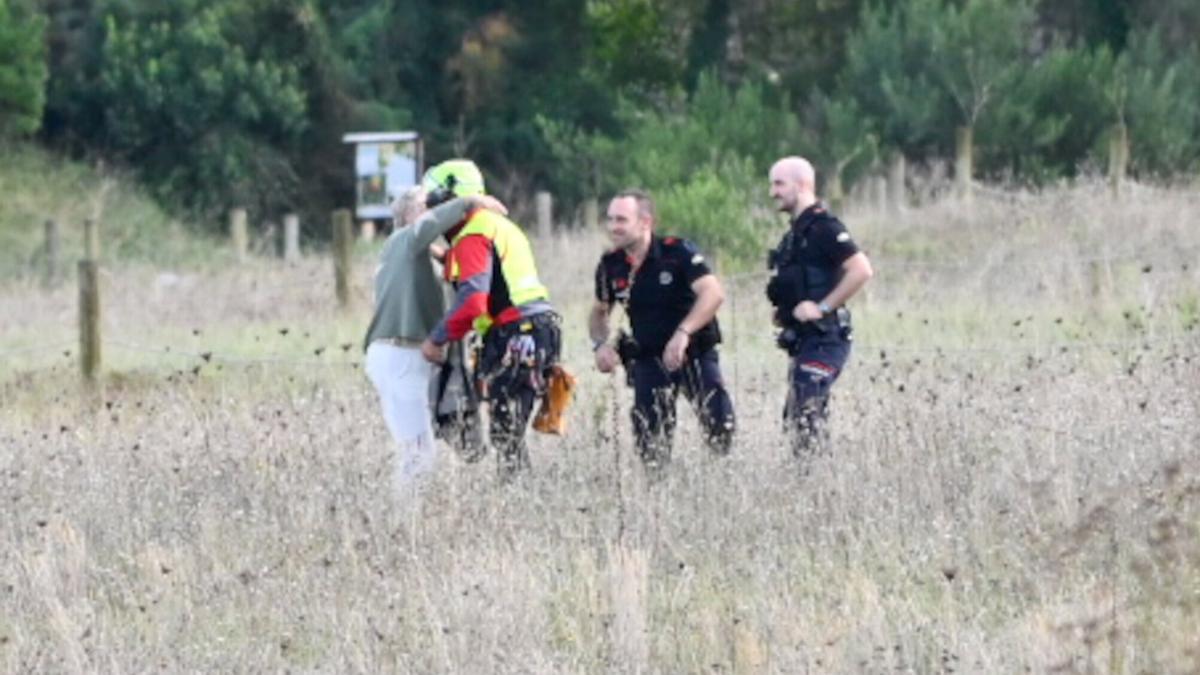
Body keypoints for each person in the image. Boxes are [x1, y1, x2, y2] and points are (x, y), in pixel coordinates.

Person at [418, 159, 561, 479]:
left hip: (518, 334)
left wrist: (435, 339)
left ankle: (518, 499)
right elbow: (485, 276)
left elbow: (472, 302)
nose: (432, 213)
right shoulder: (493, 226)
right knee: (507, 430)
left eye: (435, 204)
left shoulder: (474, 232)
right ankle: (517, 494)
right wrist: (437, 254)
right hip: (535, 330)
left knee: (505, 431)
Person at [363, 186, 508, 501]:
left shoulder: (412, 253)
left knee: (424, 445)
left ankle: (422, 515)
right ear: (408, 216)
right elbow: (426, 227)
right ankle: (405, 525)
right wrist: (472, 201)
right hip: (400, 353)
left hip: (405, 356)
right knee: (418, 452)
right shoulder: (405, 239)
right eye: (425, 205)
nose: (433, 209)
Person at [589, 189, 735, 471]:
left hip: (694, 351)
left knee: (719, 422)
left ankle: (720, 478)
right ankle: (656, 493)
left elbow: (713, 294)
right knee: (649, 438)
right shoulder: (611, 265)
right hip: (648, 356)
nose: (613, 227)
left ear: (645, 222)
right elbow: (599, 312)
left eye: (621, 220)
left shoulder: (677, 252)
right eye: (610, 219)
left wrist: (683, 333)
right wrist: (600, 344)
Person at [765, 156, 873, 460]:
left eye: (778, 184)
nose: (773, 192)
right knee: (799, 414)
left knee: (806, 409)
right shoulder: (795, 234)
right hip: (803, 340)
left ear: (801, 186)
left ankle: (814, 481)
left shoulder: (824, 226)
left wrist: (822, 307)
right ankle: (811, 482)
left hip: (826, 338)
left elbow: (861, 270)